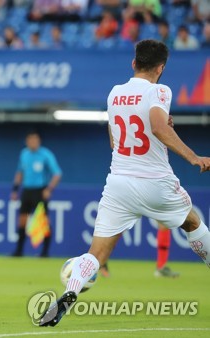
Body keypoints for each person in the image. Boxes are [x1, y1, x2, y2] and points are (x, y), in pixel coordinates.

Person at [39, 39, 210, 327]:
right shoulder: (159, 90)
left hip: (118, 181)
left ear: (133, 63)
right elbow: (156, 126)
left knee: (97, 253)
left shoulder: (115, 93)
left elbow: (114, 138)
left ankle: (69, 294)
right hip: (156, 181)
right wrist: (194, 157)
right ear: (161, 68)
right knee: (193, 223)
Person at [11, 130, 62, 257]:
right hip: (27, 190)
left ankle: (45, 252)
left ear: (39, 141)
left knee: (43, 222)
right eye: (30, 140)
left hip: (40, 191)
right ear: (27, 141)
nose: (33, 142)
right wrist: (15, 190)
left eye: (35, 140)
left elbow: (57, 173)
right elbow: (19, 172)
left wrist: (49, 189)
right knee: (22, 221)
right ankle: (19, 251)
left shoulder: (45, 154)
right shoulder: (24, 154)